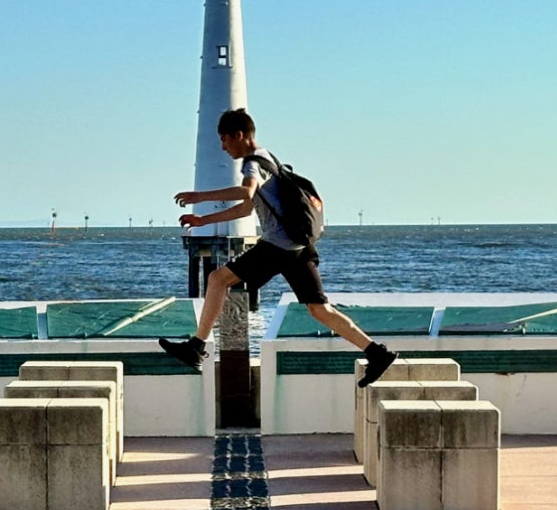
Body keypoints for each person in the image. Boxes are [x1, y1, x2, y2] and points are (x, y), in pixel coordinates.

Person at [159, 109, 399, 384]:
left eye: (224, 139)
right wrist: (203, 219)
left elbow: (245, 192)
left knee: (217, 279)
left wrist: (199, 196)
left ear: (239, 135)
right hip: (298, 247)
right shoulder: (269, 159)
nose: (223, 147)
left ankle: (196, 347)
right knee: (319, 308)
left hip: (277, 246)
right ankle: (376, 352)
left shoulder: (252, 163)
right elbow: (248, 207)